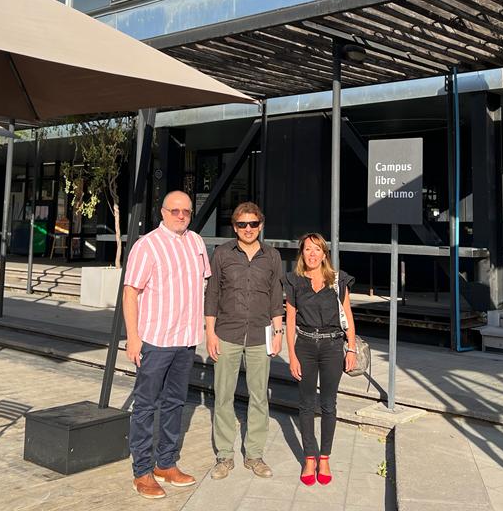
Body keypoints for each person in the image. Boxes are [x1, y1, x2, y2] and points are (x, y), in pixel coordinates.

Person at [123, 190, 210, 500]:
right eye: (175, 210)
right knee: (146, 406)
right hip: (156, 340)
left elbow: (204, 285)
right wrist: (133, 337)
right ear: (162, 212)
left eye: (186, 211)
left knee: (175, 403)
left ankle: (166, 463)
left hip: (186, 340)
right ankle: (142, 471)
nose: (181, 216)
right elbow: (130, 292)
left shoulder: (197, 243)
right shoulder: (147, 245)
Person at [205, 202, 284, 480]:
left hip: (260, 335)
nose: (248, 229)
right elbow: (212, 295)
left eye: (253, 224)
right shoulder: (222, 254)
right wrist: (210, 333)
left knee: (259, 396)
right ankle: (224, 456)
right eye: (242, 224)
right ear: (234, 227)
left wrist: (278, 333)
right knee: (223, 396)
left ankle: (255, 455)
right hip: (227, 333)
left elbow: (276, 297)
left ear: (260, 225)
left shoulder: (272, 256)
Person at [284, 233, 357, 487]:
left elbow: (347, 315)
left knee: (328, 404)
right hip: (304, 346)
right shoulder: (294, 281)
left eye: (317, 249)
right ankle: (309, 458)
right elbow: (290, 321)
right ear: (301, 253)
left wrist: (351, 349)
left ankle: (324, 457)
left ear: (324, 254)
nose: (312, 254)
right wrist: (292, 355)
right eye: (307, 249)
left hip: (332, 347)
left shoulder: (338, 280)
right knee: (306, 404)